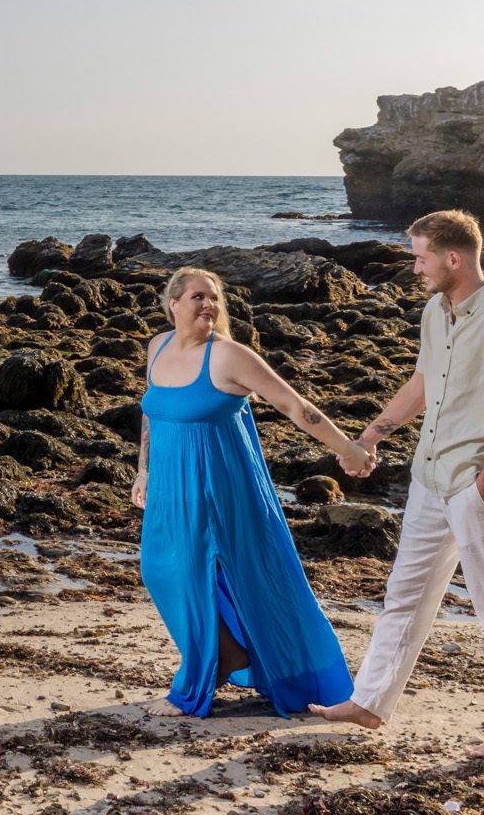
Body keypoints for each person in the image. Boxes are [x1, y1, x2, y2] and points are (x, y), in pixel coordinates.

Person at [308, 209, 484, 761]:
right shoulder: (436, 313)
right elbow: (422, 380)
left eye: (420, 257)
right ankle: (369, 701)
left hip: (473, 486)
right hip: (428, 476)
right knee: (406, 595)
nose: (415, 268)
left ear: (453, 258)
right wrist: (372, 434)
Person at [135, 265, 372, 719]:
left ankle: (206, 674)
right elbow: (152, 412)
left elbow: (295, 406)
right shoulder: (157, 347)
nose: (208, 305)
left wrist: (348, 449)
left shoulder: (229, 356)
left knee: (210, 571)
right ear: (173, 305)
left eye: (214, 298)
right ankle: (228, 653)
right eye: (198, 297)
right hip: (169, 484)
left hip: (219, 486)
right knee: (160, 570)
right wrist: (142, 471)